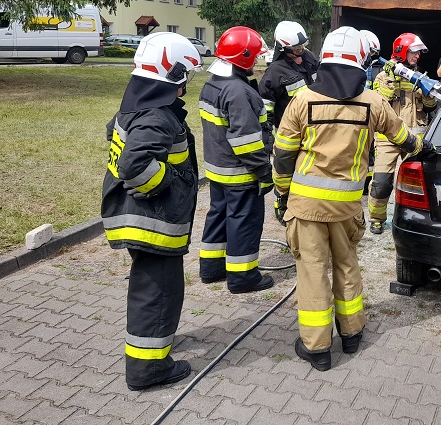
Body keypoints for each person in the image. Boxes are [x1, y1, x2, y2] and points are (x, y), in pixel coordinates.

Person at [272, 26, 433, 371]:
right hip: (346, 207)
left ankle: (316, 349)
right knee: (346, 266)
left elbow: (283, 155)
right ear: (361, 61)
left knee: (313, 271)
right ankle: (352, 334)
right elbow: (403, 137)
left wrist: (281, 194)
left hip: (305, 206)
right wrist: (425, 148)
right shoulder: (373, 102)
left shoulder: (302, 100)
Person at [101, 32, 203, 391]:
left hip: (140, 218)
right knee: (159, 291)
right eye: (185, 76)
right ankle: (148, 370)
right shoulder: (157, 116)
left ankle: (155, 346)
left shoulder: (136, 105)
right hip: (153, 222)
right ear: (173, 75)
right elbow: (134, 166)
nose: (186, 84)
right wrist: (166, 185)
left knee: (153, 288)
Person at [198, 26, 276, 293]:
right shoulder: (238, 92)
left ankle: (211, 268)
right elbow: (247, 142)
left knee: (218, 216)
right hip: (242, 173)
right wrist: (264, 173)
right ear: (242, 58)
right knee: (244, 222)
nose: (257, 61)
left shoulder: (213, 84)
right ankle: (243, 278)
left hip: (218, 170)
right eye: (254, 57)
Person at [368, 32, 437, 234]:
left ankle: (415, 221)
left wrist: (426, 90)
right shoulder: (382, 76)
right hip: (388, 138)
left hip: (415, 139)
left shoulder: (421, 77)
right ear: (402, 52)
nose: (417, 57)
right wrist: (391, 77)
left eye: (418, 53)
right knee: (381, 182)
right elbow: (381, 103)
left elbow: (430, 107)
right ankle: (376, 218)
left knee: (417, 185)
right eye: (414, 52)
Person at [258, 20, 319, 134]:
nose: (301, 49)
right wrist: (267, 135)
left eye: (302, 45)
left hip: (316, 126)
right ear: (283, 47)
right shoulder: (275, 71)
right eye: (296, 47)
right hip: (291, 131)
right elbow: (265, 107)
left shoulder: (310, 58)